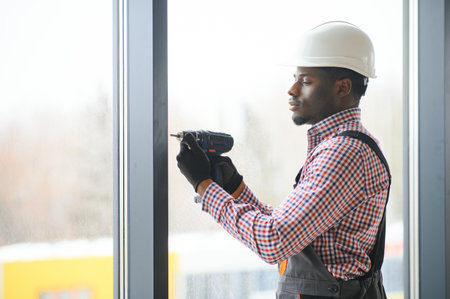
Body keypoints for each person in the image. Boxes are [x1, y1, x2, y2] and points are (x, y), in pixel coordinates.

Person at [176, 21, 390, 299]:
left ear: (342, 87)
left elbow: (275, 241)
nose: (292, 90)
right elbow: (293, 231)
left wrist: (204, 187)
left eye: (305, 81)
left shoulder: (343, 154)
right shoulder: (340, 146)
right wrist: (235, 188)